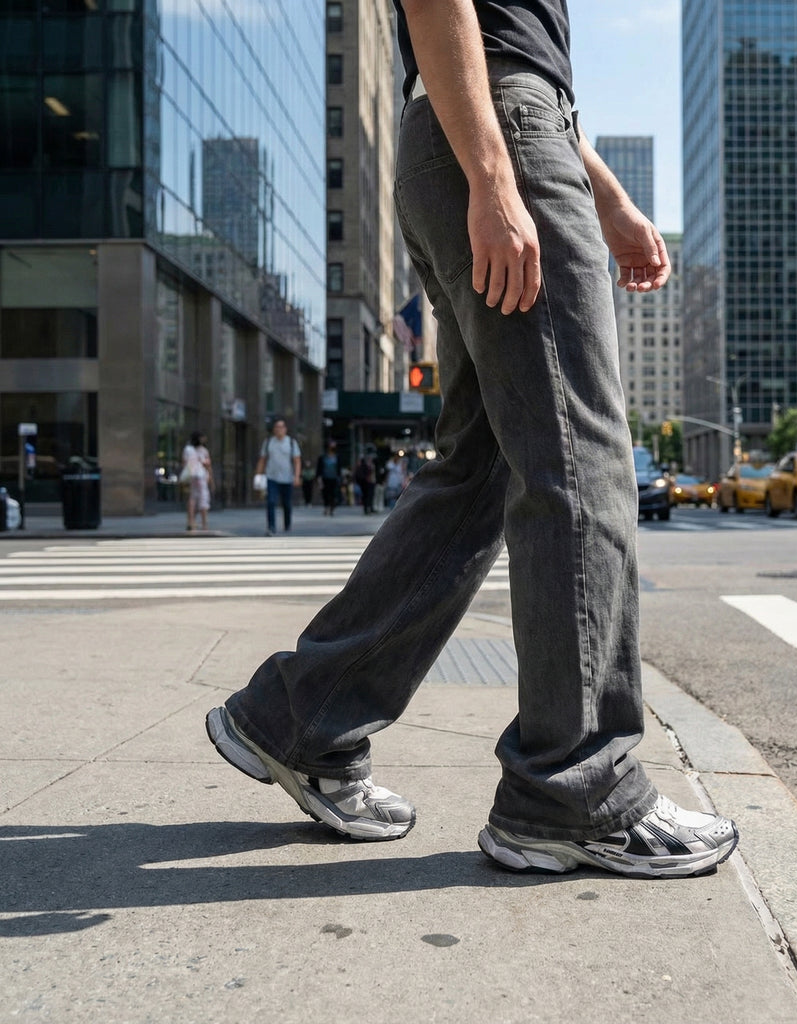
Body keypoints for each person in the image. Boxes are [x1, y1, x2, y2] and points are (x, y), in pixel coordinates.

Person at [206, 0, 738, 879]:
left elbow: (509, 44)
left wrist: (602, 194)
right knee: (580, 458)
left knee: (483, 470)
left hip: (477, 130)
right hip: (492, 131)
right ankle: (572, 790)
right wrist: (498, 178)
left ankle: (303, 719)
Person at [255, 417, 301, 535]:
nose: (279, 429)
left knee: (286, 503)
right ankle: (271, 527)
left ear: (285, 429)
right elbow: (263, 459)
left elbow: (297, 461)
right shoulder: (269, 442)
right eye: (277, 427)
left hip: (287, 478)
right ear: (274, 429)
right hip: (272, 477)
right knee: (271, 501)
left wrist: (296, 476)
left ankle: (287, 524)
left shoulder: (291, 442)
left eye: (281, 427)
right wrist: (258, 475)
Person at [181, 431, 213, 532]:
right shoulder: (203, 451)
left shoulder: (187, 449)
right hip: (201, 476)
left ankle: (191, 522)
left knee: (192, 499)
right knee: (203, 498)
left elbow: (184, 463)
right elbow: (208, 465)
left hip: (192, 476)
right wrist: (211, 478)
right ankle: (204, 523)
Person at [316, 442, 341, 516]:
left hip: (334, 478)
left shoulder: (337, 457)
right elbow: (319, 469)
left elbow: (339, 469)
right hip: (325, 478)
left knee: (334, 493)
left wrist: (340, 478)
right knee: (325, 493)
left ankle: (331, 508)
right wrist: (319, 479)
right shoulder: (322, 457)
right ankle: (326, 507)